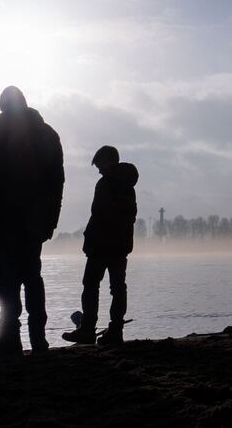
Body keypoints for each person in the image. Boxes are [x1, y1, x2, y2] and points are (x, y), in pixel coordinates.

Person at [0, 86, 64, 353]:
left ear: (2, 105)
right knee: (32, 276)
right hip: (34, 220)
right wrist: (50, 220)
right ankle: (38, 338)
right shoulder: (48, 133)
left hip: (1, 219)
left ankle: (6, 336)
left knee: (1, 277)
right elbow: (57, 182)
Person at [62, 146, 138, 346]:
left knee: (90, 286)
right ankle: (116, 330)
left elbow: (99, 215)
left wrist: (91, 240)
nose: (98, 170)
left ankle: (87, 329)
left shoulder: (106, 184)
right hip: (120, 246)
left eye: (99, 165)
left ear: (108, 161)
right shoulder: (128, 186)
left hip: (102, 246)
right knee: (118, 288)